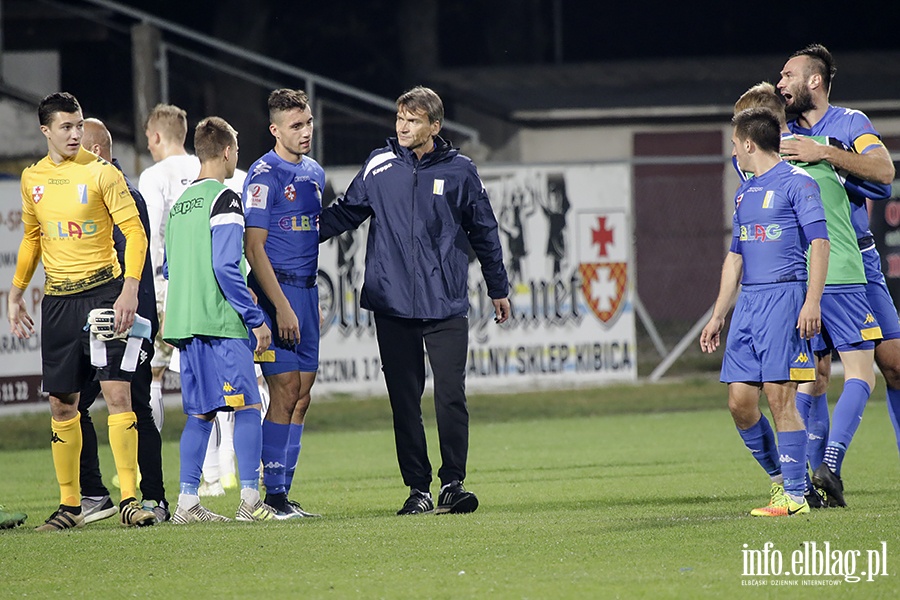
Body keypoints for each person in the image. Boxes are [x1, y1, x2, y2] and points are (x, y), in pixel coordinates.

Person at [319, 86, 510, 515]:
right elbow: (346, 213)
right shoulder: (379, 164)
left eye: (413, 119)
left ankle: (453, 483)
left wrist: (498, 287)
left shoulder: (461, 170)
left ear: (434, 127)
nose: (403, 126)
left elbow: (485, 230)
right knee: (404, 399)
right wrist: (289, 233)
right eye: (400, 118)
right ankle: (417, 489)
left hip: (445, 303)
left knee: (450, 396)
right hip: (393, 303)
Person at [7, 92, 156, 530]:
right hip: (58, 300)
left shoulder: (101, 173)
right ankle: (72, 504)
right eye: (66, 127)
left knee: (117, 393)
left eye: (79, 125)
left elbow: (135, 233)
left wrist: (129, 292)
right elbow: (32, 237)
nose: (76, 135)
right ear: (46, 131)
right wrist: (16, 293)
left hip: (104, 294)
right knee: (61, 403)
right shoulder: (31, 177)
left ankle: (130, 499)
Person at [732, 83, 882, 508]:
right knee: (859, 373)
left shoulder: (755, 171)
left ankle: (803, 482)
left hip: (798, 283)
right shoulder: (825, 146)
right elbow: (881, 179)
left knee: (810, 379)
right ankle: (825, 466)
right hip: (839, 272)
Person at [777, 44, 898, 505]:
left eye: (789, 75)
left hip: (858, 262)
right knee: (820, 373)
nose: (781, 82)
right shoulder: (781, 132)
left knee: (894, 364)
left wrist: (825, 153)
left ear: (815, 81)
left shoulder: (850, 124)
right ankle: (824, 474)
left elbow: (883, 171)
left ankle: (823, 472)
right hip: (812, 267)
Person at [700, 107, 829, 517]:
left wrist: (812, 300)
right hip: (749, 305)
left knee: (779, 396)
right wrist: (719, 314)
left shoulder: (798, 183)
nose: (734, 152)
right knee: (740, 402)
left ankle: (795, 497)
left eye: (735, 145)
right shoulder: (745, 192)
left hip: (785, 297)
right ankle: (785, 482)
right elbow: (735, 258)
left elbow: (820, 244)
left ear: (749, 143)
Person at [164, 116, 275, 524]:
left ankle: (187, 504)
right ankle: (249, 500)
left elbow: (169, 268)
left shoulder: (180, 204)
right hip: (220, 322)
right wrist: (255, 316)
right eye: (237, 153)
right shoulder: (225, 198)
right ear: (227, 152)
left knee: (200, 414)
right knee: (247, 406)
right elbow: (227, 265)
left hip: (185, 323)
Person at [140, 104, 240, 495]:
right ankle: (218, 470)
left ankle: (149, 465)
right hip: (212, 290)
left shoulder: (155, 176)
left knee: (153, 377)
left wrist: (146, 289)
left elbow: (149, 237)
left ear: (159, 137)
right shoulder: (211, 176)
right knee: (215, 383)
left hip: (169, 291)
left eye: (149, 138)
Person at [77, 118, 170, 524]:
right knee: (73, 403)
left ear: (96, 151)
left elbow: (127, 267)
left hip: (120, 319)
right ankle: (97, 493)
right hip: (92, 318)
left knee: (134, 405)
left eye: (78, 145)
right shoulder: (94, 191)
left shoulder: (119, 194)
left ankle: (151, 498)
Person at [243, 89, 322, 518]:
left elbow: (309, 235)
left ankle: (283, 493)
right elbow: (254, 249)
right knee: (285, 391)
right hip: (280, 296)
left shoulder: (314, 173)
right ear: (275, 130)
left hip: (306, 294)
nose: (306, 131)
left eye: (308, 122)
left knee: (303, 395)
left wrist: (310, 297)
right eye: (296, 125)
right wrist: (283, 307)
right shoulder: (263, 175)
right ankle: (270, 497)